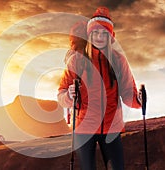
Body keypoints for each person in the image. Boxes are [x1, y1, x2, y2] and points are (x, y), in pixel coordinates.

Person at [58, 6, 141, 170]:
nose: (100, 37)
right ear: (89, 35)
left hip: (111, 128)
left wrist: (138, 100)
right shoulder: (77, 61)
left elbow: (127, 93)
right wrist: (68, 95)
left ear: (110, 37)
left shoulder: (118, 61)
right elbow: (61, 95)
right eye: (96, 33)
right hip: (84, 129)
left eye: (104, 33)